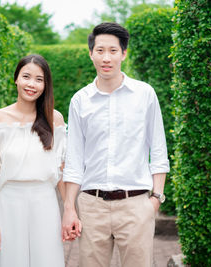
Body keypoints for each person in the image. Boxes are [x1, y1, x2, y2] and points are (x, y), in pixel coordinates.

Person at [61, 22, 170, 267]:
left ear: (124, 53)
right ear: (91, 54)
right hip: (92, 206)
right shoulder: (80, 100)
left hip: (136, 206)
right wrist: (69, 208)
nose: (106, 57)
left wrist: (155, 200)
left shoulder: (145, 95)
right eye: (100, 51)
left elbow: (159, 151)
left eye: (113, 50)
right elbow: (75, 159)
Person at [0, 54, 66, 267]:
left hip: (45, 203)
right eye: (26, 77)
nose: (31, 84)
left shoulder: (55, 119)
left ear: (46, 84)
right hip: (9, 203)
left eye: (39, 79)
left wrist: (70, 211)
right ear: (16, 79)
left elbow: (60, 170)